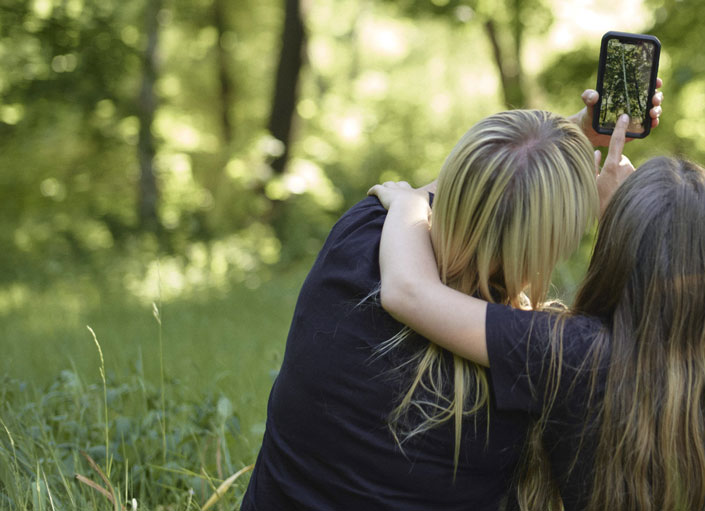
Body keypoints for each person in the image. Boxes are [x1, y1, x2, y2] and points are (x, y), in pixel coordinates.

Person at [241, 84, 662, 510]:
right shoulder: (542, 353)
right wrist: (615, 219)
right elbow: (623, 341)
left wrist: (555, 139)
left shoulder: (361, 230)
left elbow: (463, 185)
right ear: (547, 241)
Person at [369, 157, 705, 511]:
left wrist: (409, 205)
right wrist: (630, 212)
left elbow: (409, 292)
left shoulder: (571, 351)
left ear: (616, 252)